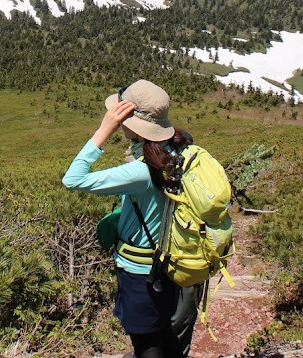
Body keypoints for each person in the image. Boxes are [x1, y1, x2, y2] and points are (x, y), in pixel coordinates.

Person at [62, 79, 203, 358]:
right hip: (170, 261)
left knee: (145, 341)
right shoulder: (180, 151)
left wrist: (104, 129)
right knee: (163, 330)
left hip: (140, 271)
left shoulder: (141, 172)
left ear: (127, 120)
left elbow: (73, 179)